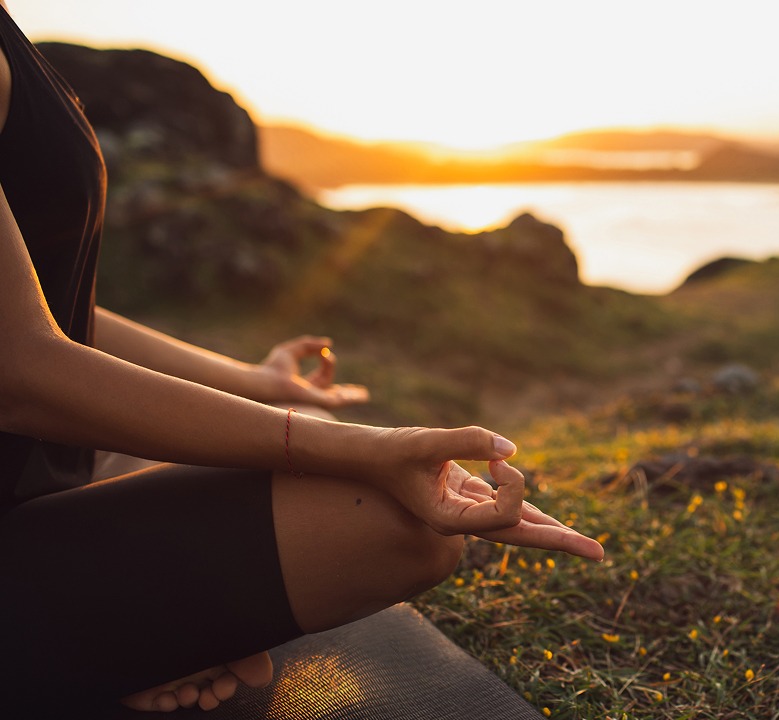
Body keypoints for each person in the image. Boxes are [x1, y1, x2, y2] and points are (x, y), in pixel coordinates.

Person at [0, 2, 604, 715]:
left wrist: (253, 383)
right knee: (393, 522)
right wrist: (363, 449)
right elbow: (19, 368)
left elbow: (48, 311)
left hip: (36, 483)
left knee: (351, 485)